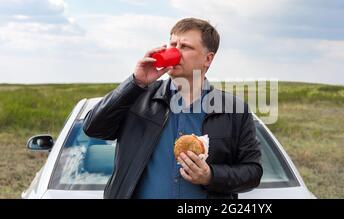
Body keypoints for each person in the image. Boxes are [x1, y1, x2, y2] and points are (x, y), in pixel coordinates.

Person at [83, 17, 262, 199]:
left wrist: (211, 176)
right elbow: (93, 128)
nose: (175, 52)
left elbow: (252, 172)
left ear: (208, 59)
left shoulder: (234, 110)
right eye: (172, 45)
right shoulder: (138, 96)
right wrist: (135, 82)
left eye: (185, 47)